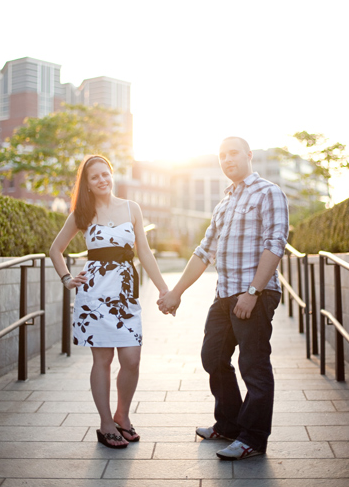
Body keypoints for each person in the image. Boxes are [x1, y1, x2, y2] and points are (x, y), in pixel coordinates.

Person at [157, 136, 288, 461]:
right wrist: (176, 292)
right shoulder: (225, 202)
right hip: (225, 294)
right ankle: (229, 425)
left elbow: (276, 243)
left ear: (248, 155)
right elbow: (203, 253)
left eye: (233, 153)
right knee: (213, 357)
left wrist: (253, 292)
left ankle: (253, 439)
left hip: (254, 293)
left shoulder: (268, 192)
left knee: (253, 366)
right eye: (222, 156)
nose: (228, 160)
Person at [50, 154, 170, 449]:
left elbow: (144, 252)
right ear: (87, 184)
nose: (102, 179)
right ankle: (106, 424)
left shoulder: (132, 208)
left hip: (126, 295)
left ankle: (122, 415)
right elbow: (55, 249)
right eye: (95, 177)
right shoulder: (82, 213)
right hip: (94, 297)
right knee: (102, 360)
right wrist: (67, 279)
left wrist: (164, 289)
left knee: (132, 359)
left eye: (106, 174)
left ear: (112, 175)